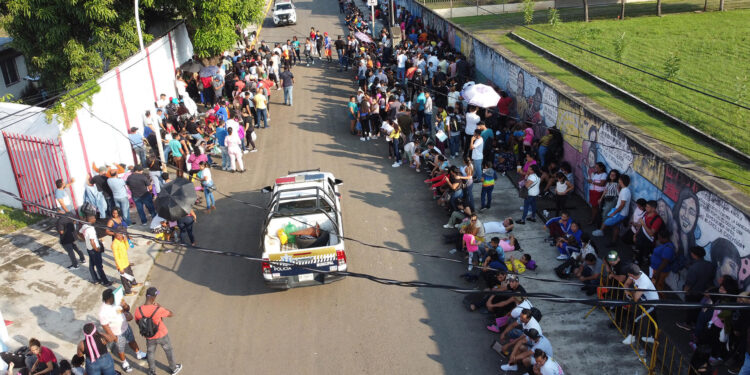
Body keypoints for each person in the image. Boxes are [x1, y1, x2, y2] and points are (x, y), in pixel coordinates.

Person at [134, 287, 182, 375]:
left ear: (146, 296)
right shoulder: (158, 309)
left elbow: (137, 322)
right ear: (153, 297)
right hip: (162, 334)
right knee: (168, 350)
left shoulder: (138, 310)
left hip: (149, 336)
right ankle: (173, 368)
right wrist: (160, 306)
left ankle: (152, 371)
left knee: (150, 353)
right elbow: (171, 314)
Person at [98, 289, 147, 373]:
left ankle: (139, 353)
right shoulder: (103, 312)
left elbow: (127, 309)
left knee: (132, 341)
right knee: (121, 350)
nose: (115, 297)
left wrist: (124, 305)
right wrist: (113, 337)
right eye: (113, 296)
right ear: (109, 298)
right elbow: (105, 326)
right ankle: (124, 363)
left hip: (126, 327)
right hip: (117, 333)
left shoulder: (117, 302)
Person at [676, 246, 715, 332]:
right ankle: (694, 323)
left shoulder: (694, 268)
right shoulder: (710, 265)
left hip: (693, 292)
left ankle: (687, 324)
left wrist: (685, 291)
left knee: (690, 308)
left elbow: (689, 283)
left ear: (694, 255)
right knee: (697, 308)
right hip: (703, 292)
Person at [621, 264, 659, 345]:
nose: (628, 275)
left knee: (635, 318)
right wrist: (627, 291)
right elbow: (626, 284)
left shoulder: (643, 282)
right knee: (653, 319)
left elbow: (635, 298)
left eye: (628, 274)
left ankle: (632, 337)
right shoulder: (636, 274)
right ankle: (653, 337)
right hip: (643, 300)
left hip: (651, 303)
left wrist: (630, 291)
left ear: (631, 274)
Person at [593, 174, 631, 247]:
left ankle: (601, 231)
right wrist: (618, 190)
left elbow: (622, 204)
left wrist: (614, 213)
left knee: (607, 221)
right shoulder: (624, 190)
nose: (618, 181)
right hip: (620, 212)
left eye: (619, 179)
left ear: (621, 181)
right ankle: (613, 241)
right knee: (615, 226)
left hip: (621, 213)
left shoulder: (625, 191)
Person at [80, 215, 111, 286]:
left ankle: (95, 279)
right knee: (99, 266)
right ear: (90, 220)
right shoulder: (91, 229)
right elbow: (92, 241)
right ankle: (105, 282)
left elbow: (80, 233)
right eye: (93, 218)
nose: (95, 219)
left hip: (89, 248)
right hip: (94, 250)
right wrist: (97, 249)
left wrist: (85, 239)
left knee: (91, 265)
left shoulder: (84, 226)